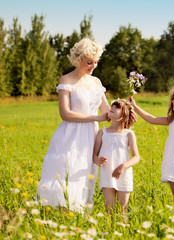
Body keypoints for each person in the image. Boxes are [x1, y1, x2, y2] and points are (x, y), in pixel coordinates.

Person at [37, 38, 111, 213]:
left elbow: (107, 111)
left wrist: (124, 109)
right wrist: (96, 117)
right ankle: (58, 213)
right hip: (69, 135)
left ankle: (79, 215)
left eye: (95, 62)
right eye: (89, 62)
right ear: (78, 59)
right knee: (61, 171)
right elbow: (65, 113)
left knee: (84, 174)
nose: (93, 66)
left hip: (91, 136)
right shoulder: (66, 80)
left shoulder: (96, 82)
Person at [93, 99, 140, 214]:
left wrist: (123, 166)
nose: (112, 108)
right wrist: (97, 160)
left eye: (117, 107)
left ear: (124, 114)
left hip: (123, 174)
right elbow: (94, 154)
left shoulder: (128, 134)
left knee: (122, 210)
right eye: (112, 106)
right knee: (109, 210)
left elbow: (136, 157)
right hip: (107, 173)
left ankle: (123, 231)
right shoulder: (102, 133)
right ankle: (110, 231)